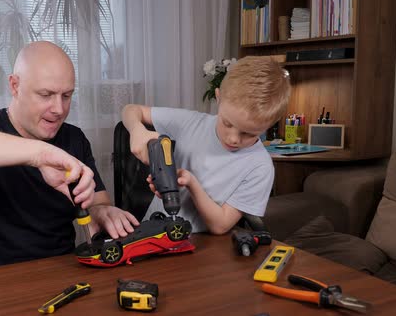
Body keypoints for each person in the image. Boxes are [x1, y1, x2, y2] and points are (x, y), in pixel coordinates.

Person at [0, 41, 139, 271]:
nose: (59, 109)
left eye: (66, 96)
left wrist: (101, 211)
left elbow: (98, 202)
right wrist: (39, 154)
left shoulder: (74, 139)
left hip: (60, 276)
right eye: (46, 95)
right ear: (15, 86)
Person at [122, 56, 290, 235]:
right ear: (218, 98)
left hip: (203, 247)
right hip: (152, 232)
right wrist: (136, 130)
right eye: (227, 123)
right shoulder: (191, 123)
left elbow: (220, 225)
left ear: (270, 124)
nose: (233, 139)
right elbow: (131, 110)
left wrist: (192, 184)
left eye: (248, 133)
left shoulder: (260, 167)